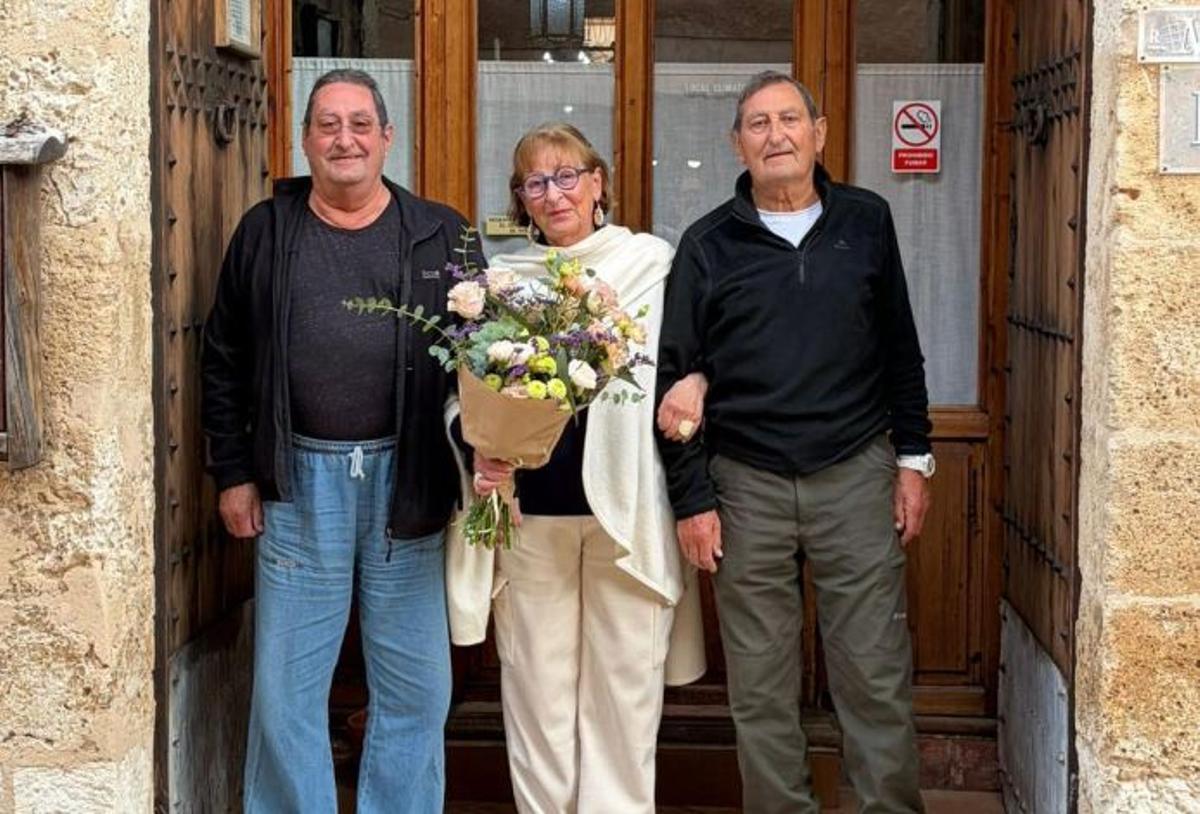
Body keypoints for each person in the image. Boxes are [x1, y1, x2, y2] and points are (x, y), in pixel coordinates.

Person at [654, 70, 936, 814]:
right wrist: (692, 500)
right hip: (746, 483)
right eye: (757, 124)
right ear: (736, 144)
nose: (775, 135)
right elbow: (676, 382)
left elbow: (900, 350)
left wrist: (914, 459)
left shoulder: (866, 221)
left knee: (874, 673)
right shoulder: (708, 244)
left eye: (789, 119)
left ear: (818, 131)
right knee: (761, 680)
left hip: (854, 471)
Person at [201, 69, 476, 813]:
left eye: (360, 124)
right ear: (305, 140)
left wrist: (488, 455)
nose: (344, 139)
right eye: (328, 125)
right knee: (285, 689)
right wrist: (233, 471)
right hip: (296, 484)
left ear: (388, 137)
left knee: (417, 687)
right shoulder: (266, 230)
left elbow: (486, 359)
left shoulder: (442, 231)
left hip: (410, 482)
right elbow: (223, 357)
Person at [447, 122, 707, 814]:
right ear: (522, 199)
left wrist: (700, 383)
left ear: (598, 183)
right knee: (538, 693)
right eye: (536, 182)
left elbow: (691, 359)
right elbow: (460, 393)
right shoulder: (503, 282)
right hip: (532, 516)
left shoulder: (652, 265)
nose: (554, 193)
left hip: (626, 514)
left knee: (624, 695)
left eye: (568, 176)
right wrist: (474, 443)